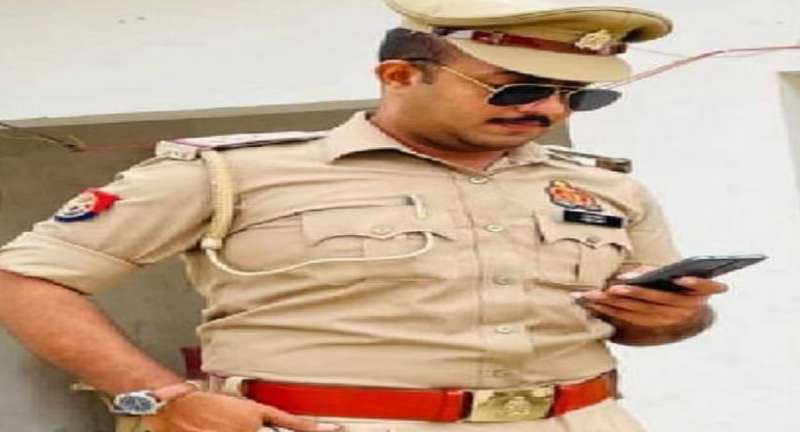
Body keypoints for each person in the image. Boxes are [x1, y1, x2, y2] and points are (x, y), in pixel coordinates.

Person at [0, 1, 727, 431]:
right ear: (400, 76)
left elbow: (654, 324)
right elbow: (26, 279)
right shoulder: (232, 173)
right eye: (515, 89)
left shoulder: (605, 191)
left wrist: (672, 317)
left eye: (579, 96)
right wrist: (162, 397)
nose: (549, 110)